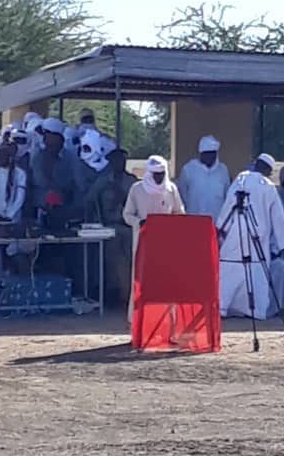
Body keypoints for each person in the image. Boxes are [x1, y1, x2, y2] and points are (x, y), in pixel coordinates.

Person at [216, 153, 284, 319]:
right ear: (267, 170)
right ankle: (256, 311)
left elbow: (229, 204)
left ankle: (222, 307)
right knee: (256, 271)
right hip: (258, 237)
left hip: (236, 234)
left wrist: (221, 227)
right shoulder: (268, 186)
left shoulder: (241, 179)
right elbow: (278, 218)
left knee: (231, 269)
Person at [123, 155, 185, 320]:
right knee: (141, 281)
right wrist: (139, 222)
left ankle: (167, 321)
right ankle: (137, 320)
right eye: (156, 174)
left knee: (167, 282)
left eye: (162, 174)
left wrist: (171, 223)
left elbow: (179, 212)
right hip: (143, 242)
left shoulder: (171, 189)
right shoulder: (137, 189)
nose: (159, 178)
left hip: (166, 243)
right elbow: (127, 214)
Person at [86, 148, 137, 305]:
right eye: (115, 160)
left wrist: (123, 196)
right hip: (109, 225)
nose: (119, 163)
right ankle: (113, 293)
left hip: (128, 226)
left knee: (131, 258)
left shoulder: (132, 181)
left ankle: (129, 293)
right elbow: (90, 200)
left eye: (121, 160)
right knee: (111, 258)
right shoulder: (103, 181)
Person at [29, 117, 78, 220]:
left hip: (63, 211)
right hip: (38, 210)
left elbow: (75, 186)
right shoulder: (37, 157)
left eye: (46, 134)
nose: (44, 138)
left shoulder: (70, 159)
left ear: (58, 137)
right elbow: (33, 182)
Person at [176, 135, 231, 222]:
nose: (209, 156)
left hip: (216, 222)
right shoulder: (189, 169)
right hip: (194, 220)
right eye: (206, 153)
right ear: (201, 154)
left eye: (212, 153)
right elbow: (182, 193)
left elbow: (227, 195)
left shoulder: (223, 170)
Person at [0, 144, 27, 232]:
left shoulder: (20, 173)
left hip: (13, 216)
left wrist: (10, 215)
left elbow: (20, 197)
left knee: (12, 241)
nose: (2, 158)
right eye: (0, 156)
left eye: (5, 156)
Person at [73, 129, 114, 215]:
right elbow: (82, 186)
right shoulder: (79, 164)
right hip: (81, 207)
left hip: (103, 209)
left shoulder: (108, 166)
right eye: (85, 148)